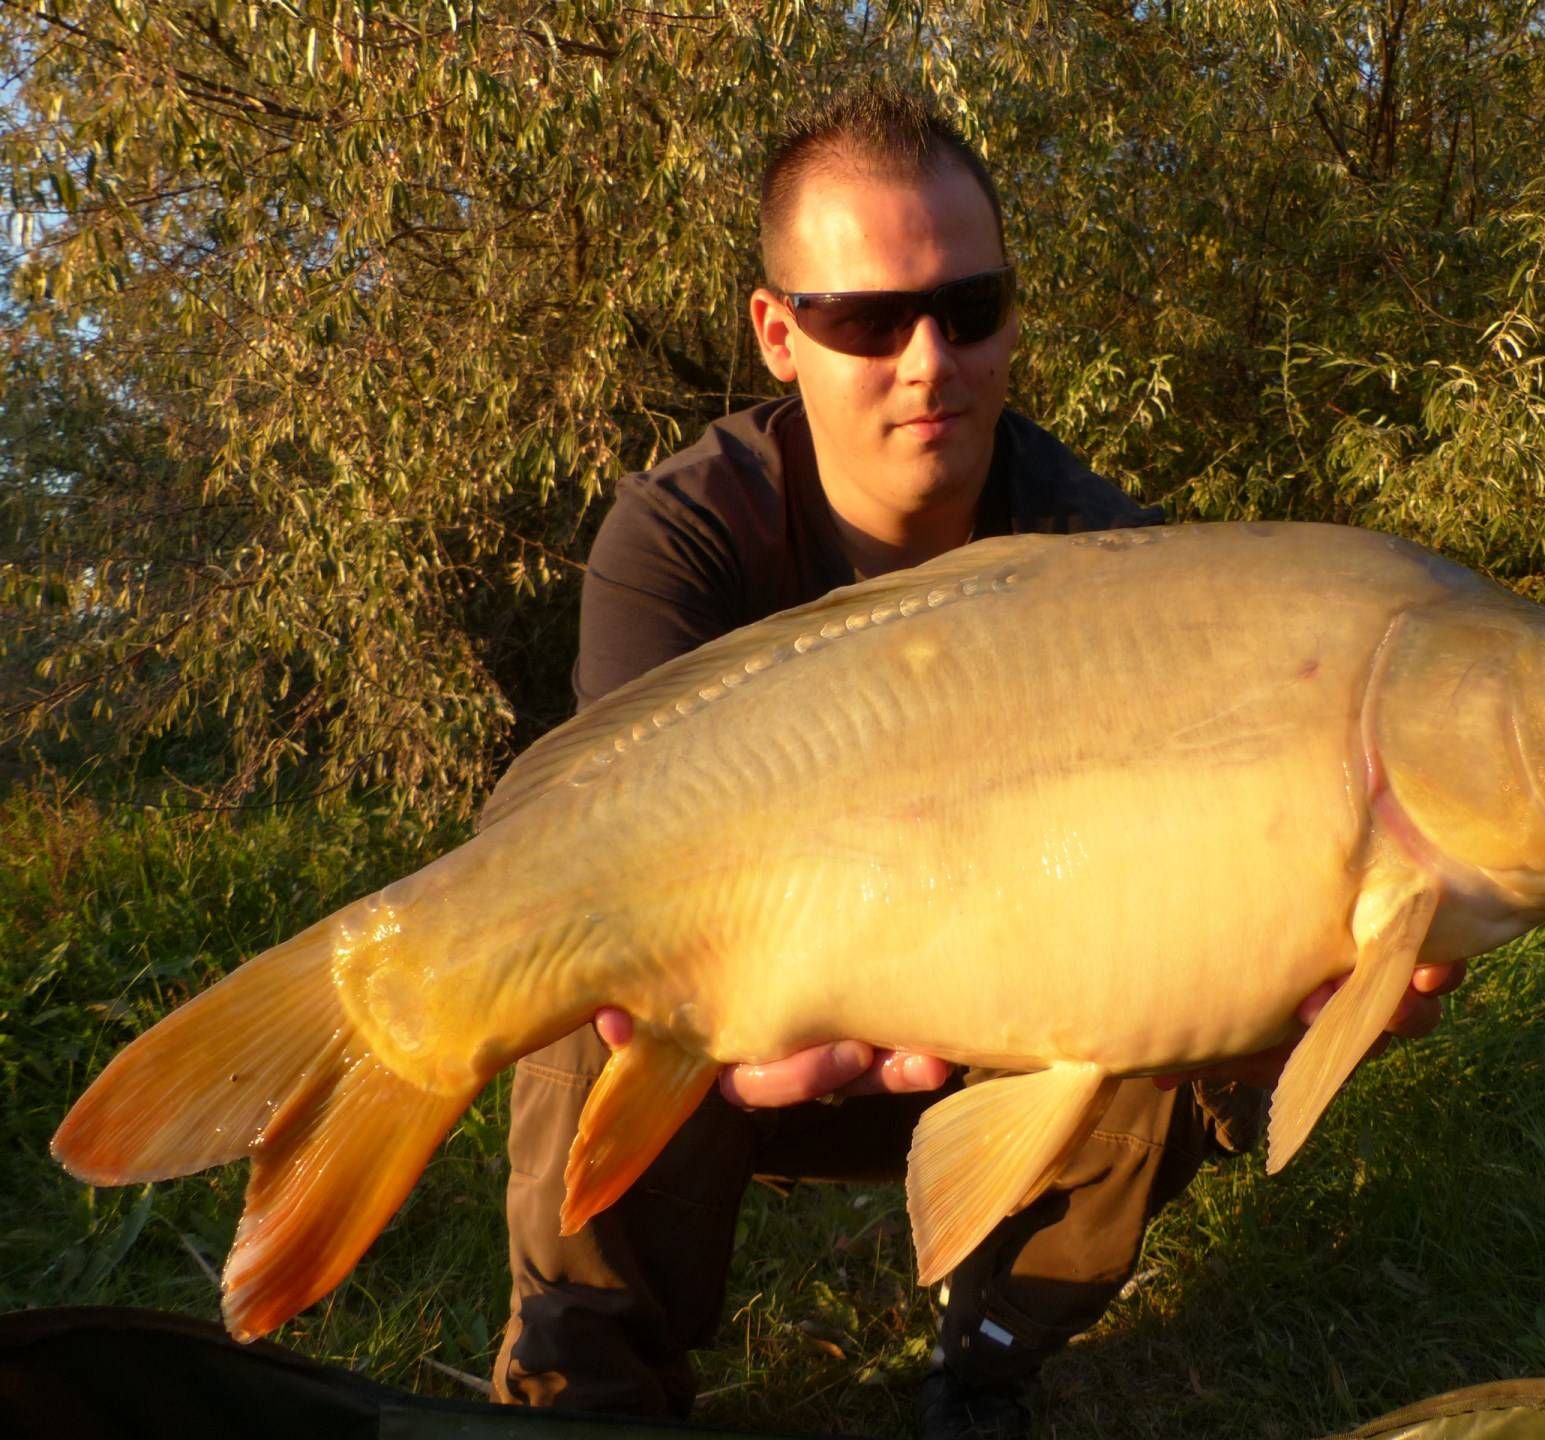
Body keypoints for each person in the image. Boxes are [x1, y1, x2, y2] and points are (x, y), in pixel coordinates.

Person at [490, 84, 1463, 1438]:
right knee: (564, 991)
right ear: (779, 333)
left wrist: (1275, 1011)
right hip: (749, 1028)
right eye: (869, 321)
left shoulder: (1109, 562)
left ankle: (988, 1361)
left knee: (1176, 1026)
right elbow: (611, 859)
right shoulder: (680, 537)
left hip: (1005, 1031)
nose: (930, 361)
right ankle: (588, 1394)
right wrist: (731, 1051)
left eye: (972, 306)